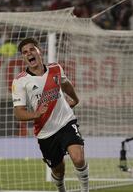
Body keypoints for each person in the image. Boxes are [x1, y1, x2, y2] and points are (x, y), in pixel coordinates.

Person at [11, 38, 89, 192]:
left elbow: (65, 83)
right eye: (25, 52)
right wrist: (35, 114)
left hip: (66, 121)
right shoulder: (20, 81)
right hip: (45, 132)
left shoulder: (56, 69)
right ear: (23, 57)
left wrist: (75, 99)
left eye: (32, 49)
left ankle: (85, 189)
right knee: (59, 171)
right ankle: (61, 188)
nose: (29, 54)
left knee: (78, 158)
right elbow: (18, 113)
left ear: (39, 51)